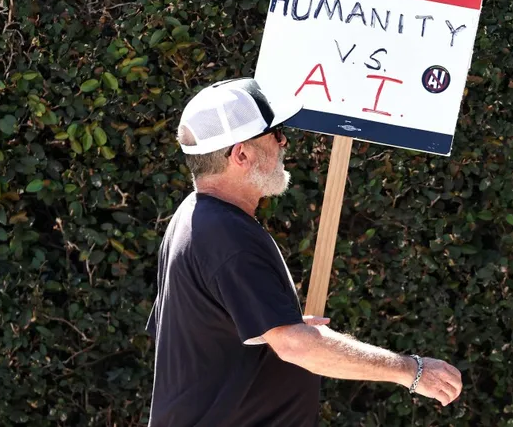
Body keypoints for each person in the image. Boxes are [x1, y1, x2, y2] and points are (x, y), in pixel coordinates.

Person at [146, 78, 463, 427]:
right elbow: (295, 347)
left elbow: (208, 331)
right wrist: (411, 371)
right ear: (241, 154)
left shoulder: (196, 217)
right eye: (276, 133)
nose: (283, 142)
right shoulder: (227, 236)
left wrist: (277, 323)